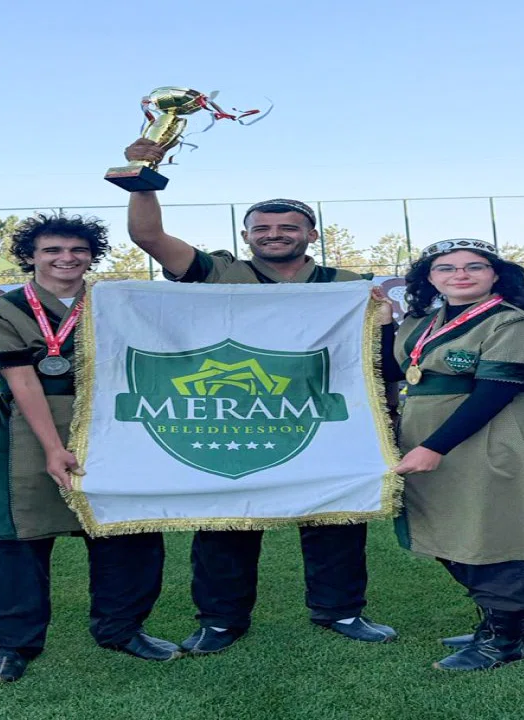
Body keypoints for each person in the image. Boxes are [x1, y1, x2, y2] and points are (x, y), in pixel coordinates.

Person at [122, 137, 397, 654]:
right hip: (238, 414)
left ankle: (341, 610)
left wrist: (383, 324)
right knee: (228, 517)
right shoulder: (221, 272)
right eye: (262, 228)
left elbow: (374, 358)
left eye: (288, 227)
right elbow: (148, 236)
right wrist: (142, 175)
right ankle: (220, 619)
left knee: (334, 517)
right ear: (246, 235)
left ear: (311, 234)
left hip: (320, 414)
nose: (274, 235)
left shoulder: (346, 283)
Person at [0, 212, 181, 683]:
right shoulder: (0, 311)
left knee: (126, 529)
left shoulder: (118, 303)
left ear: (92, 256)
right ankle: (11, 644)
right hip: (29, 429)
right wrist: (52, 447)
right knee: (18, 535)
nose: (67, 258)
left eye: (78, 250)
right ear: (31, 256)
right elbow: (22, 381)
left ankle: (123, 628)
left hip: (114, 427)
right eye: (53, 250)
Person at [379, 239, 524, 671]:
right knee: (447, 524)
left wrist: (435, 447)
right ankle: (521, 622)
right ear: (429, 278)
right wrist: (386, 325)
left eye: (474, 266)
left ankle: (503, 639)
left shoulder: (516, 321)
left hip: (495, 430)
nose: (460, 275)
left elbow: (497, 389)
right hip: (430, 430)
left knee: (497, 526)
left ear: (495, 274)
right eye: (446, 268)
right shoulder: (423, 320)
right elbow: (394, 370)